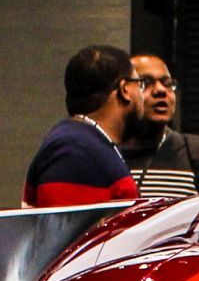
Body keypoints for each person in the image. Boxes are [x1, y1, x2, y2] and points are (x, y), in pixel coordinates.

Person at [23, 46, 143, 208]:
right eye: (140, 84)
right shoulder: (75, 151)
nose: (144, 95)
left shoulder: (88, 144)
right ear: (125, 89)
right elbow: (69, 232)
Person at [121, 55, 199, 203]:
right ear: (123, 91)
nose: (160, 90)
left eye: (167, 83)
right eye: (145, 82)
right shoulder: (100, 155)